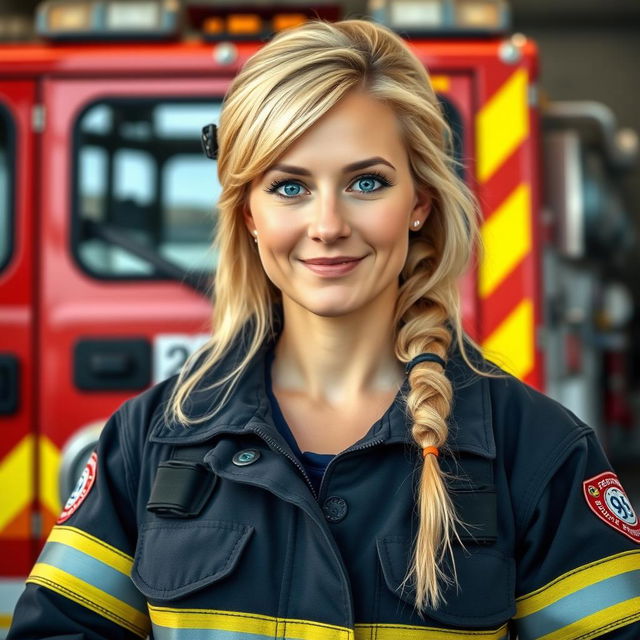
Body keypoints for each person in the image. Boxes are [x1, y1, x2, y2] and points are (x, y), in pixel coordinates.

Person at [9, 18, 640, 640]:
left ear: (419, 202)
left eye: (367, 182)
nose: (328, 223)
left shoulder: (539, 451)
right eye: (290, 187)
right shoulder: (146, 441)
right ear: (248, 211)